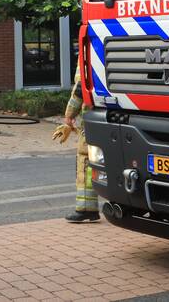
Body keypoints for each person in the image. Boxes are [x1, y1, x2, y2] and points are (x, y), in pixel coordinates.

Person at [54, 65, 99, 222]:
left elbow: (82, 86)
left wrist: (69, 115)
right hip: (109, 114)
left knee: (85, 161)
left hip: (91, 118)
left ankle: (87, 208)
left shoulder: (88, 47)